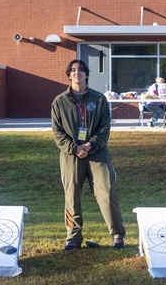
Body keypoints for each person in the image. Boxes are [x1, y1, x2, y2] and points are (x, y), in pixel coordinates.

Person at [51, 59, 126, 250]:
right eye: (73, 70)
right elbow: (57, 132)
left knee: (107, 192)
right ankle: (73, 237)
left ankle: (117, 235)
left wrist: (90, 144)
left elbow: (105, 128)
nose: (77, 73)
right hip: (71, 155)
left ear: (87, 74)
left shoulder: (99, 99)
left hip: (97, 154)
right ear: (69, 75)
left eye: (81, 70)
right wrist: (74, 148)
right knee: (71, 196)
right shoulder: (59, 102)